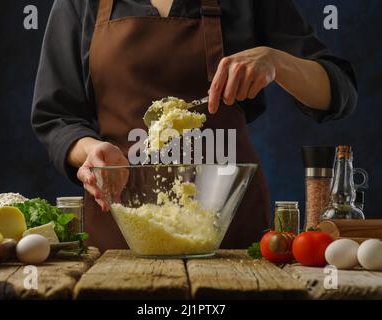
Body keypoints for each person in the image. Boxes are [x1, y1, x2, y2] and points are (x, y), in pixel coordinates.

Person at [32, 0, 358, 252]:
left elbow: (338, 91)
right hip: (121, 234)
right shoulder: (80, 4)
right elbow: (56, 117)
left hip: (231, 235)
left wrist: (277, 61)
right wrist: (91, 151)